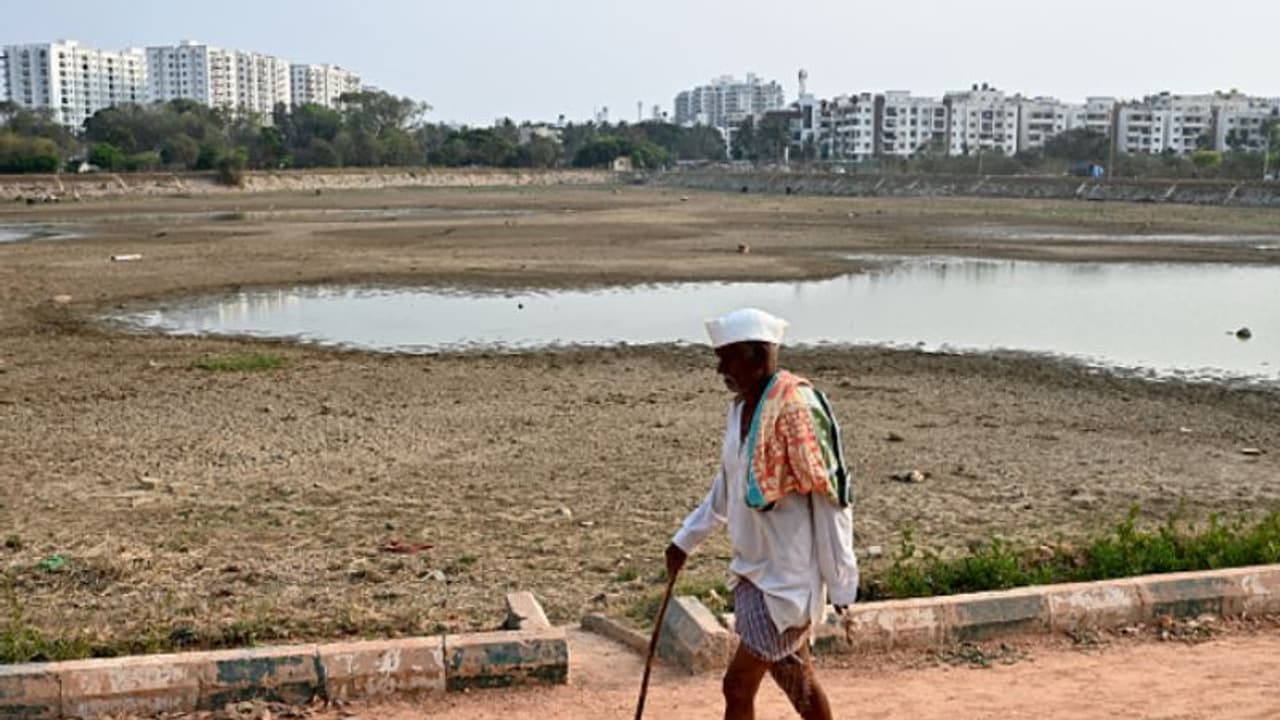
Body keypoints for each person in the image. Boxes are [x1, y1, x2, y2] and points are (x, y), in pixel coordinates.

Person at [665, 308, 857, 720]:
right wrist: (684, 541)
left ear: (757, 356)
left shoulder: (798, 411)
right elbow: (726, 488)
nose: (720, 370)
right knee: (797, 679)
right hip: (752, 572)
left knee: (736, 686)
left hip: (789, 582)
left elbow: (832, 502)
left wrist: (842, 585)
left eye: (728, 358)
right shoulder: (739, 412)